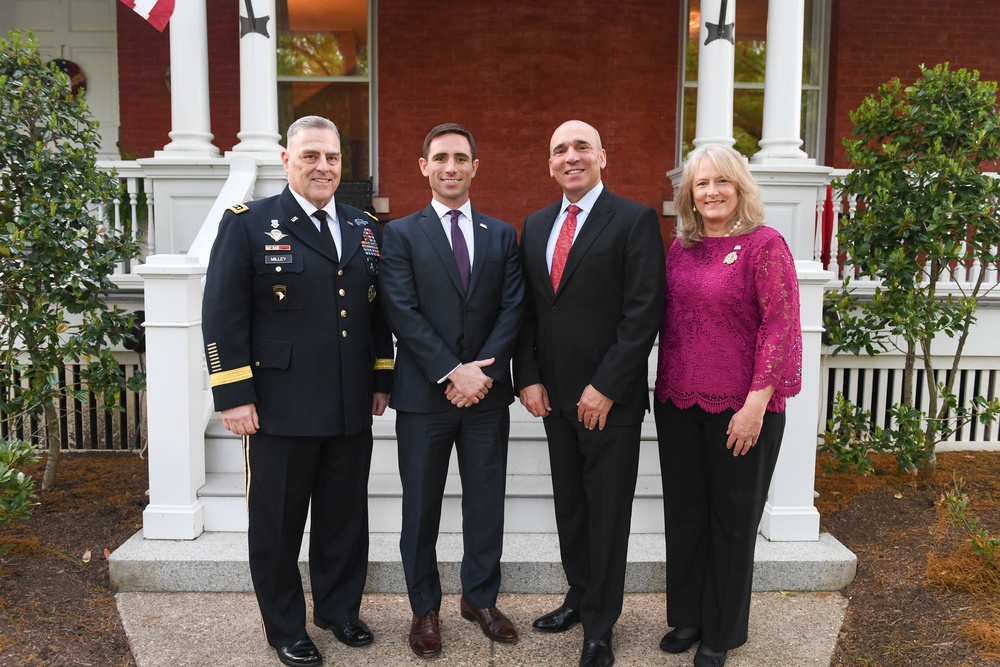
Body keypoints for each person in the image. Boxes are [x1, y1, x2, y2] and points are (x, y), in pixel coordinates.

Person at [201, 115, 394, 667]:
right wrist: (234, 393)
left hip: (349, 402)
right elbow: (222, 314)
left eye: (331, 157)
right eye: (310, 155)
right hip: (278, 407)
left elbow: (375, 311)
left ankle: (338, 610)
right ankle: (284, 627)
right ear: (286, 160)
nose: (322, 166)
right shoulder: (249, 223)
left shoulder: (362, 226)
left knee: (343, 518)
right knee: (278, 525)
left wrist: (382, 378)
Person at [513, 120, 665, 667]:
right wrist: (526, 376)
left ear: (604, 155)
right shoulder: (534, 226)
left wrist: (605, 386)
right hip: (554, 400)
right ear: (550, 163)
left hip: (609, 402)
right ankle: (579, 596)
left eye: (581, 147)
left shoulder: (634, 220)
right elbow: (528, 311)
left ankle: (601, 624)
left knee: (607, 513)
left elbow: (643, 313)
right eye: (559, 149)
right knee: (572, 508)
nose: (570, 156)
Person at [379, 123, 525, 659]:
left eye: (461, 158)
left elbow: (514, 308)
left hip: (486, 397)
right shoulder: (399, 234)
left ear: (474, 166)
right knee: (421, 507)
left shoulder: (501, 234)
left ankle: (480, 599)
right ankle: (425, 609)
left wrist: (480, 373)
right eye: (440, 157)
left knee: (486, 503)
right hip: (423, 396)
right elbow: (401, 310)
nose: (451, 167)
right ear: (424, 166)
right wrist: (451, 370)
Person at [654, 144, 802, 667]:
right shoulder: (681, 249)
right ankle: (689, 617)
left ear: (740, 187)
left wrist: (757, 403)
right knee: (687, 514)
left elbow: (780, 327)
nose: (711, 191)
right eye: (701, 184)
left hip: (742, 407)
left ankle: (720, 631)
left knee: (733, 521)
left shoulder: (765, 246)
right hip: (677, 400)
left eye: (721, 182)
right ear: (688, 195)